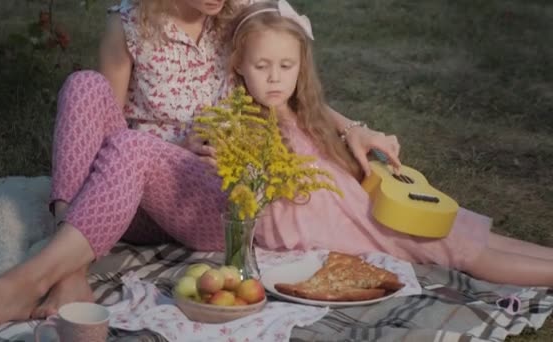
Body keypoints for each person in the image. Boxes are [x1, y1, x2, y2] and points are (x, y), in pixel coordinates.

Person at [0, 0, 401, 325]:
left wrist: (351, 127)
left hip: (202, 201)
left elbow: (294, 88)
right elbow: (99, 128)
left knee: (134, 147)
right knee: (84, 86)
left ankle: (29, 280)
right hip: (121, 201)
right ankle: (70, 272)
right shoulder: (127, 21)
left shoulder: (236, 17)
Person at [225, 1, 553, 288]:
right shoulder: (244, 122)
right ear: (239, 64)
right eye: (261, 66)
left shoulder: (303, 110)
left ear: (301, 66)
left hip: (352, 206)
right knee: (452, 246)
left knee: (459, 228)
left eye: (286, 66)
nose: (274, 79)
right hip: (320, 223)